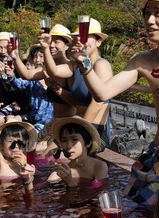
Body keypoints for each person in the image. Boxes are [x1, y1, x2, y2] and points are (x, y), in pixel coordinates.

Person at [73, 0, 159, 205]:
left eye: (158, 14)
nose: (149, 20)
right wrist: (84, 64)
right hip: (155, 153)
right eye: (147, 13)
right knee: (134, 210)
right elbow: (103, 93)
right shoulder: (143, 61)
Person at [42, 17, 113, 145]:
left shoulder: (101, 65)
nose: (81, 40)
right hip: (76, 128)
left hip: (93, 132)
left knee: (49, 154)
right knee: (42, 153)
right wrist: (45, 48)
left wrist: (79, 129)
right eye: (78, 37)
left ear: (99, 42)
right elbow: (54, 71)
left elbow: (98, 103)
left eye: (86, 36)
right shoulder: (77, 65)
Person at [46, 116, 109, 185]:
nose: (69, 145)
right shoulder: (63, 171)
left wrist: (70, 182)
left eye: (74, 139)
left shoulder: (99, 167)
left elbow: (99, 191)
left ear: (88, 143)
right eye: (64, 140)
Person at [0, 114, 37, 183]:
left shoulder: (26, 163)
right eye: (10, 141)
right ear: (1, 146)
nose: (16, 146)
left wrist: (26, 167)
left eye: (20, 142)